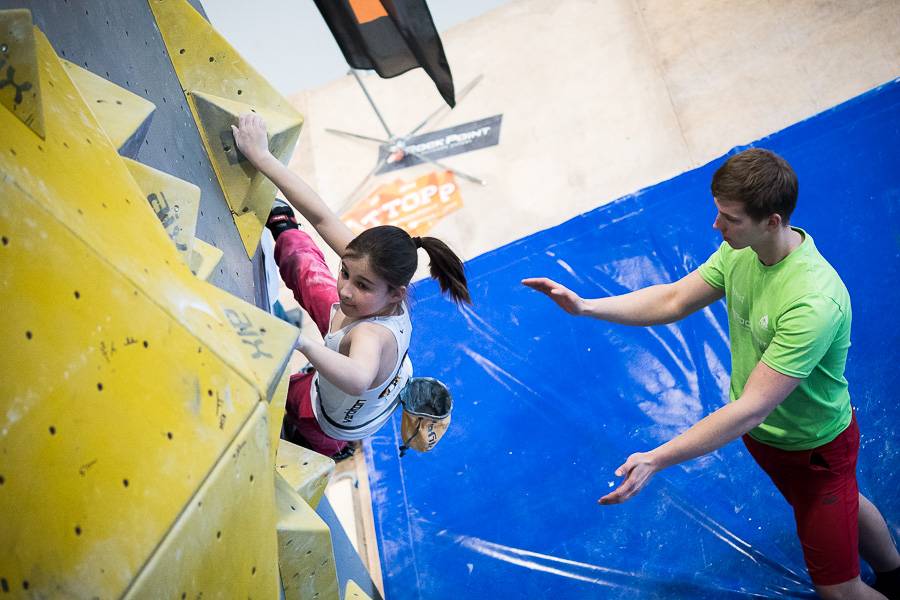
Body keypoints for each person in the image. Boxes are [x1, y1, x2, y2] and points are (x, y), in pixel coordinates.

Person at [523, 148, 900, 599]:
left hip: (813, 448)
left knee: (838, 590)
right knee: (846, 503)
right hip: (773, 442)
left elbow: (751, 409)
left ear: (772, 221)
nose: (715, 226)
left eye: (729, 218)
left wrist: (657, 458)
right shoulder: (743, 251)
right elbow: (673, 300)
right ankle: (896, 573)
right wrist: (585, 306)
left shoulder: (812, 302)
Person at [232, 113, 470, 460]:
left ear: (395, 294)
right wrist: (262, 157)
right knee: (309, 269)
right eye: (345, 271)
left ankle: (332, 449)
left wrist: (302, 344)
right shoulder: (373, 277)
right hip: (370, 373)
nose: (346, 289)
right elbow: (323, 217)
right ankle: (285, 229)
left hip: (336, 417)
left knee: (287, 398)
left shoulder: (370, 337)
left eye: (361, 284)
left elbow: (358, 378)